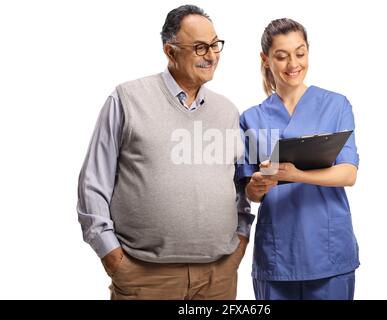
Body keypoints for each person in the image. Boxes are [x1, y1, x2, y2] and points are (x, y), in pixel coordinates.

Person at [77, 4, 254, 300]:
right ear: (170, 51)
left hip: (218, 277)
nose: (211, 55)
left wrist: (240, 243)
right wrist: (112, 256)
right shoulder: (127, 99)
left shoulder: (227, 111)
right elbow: (93, 183)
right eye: (200, 47)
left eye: (215, 45)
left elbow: (239, 187)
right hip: (144, 276)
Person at [236, 18, 360, 300]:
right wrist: (256, 187)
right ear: (265, 59)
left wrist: (295, 175)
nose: (293, 64)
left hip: (328, 250)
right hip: (278, 254)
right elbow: (250, 191)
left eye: (300, 53)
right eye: (281, 56)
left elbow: (348, 174)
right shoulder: (251, 118)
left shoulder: (336, 105)